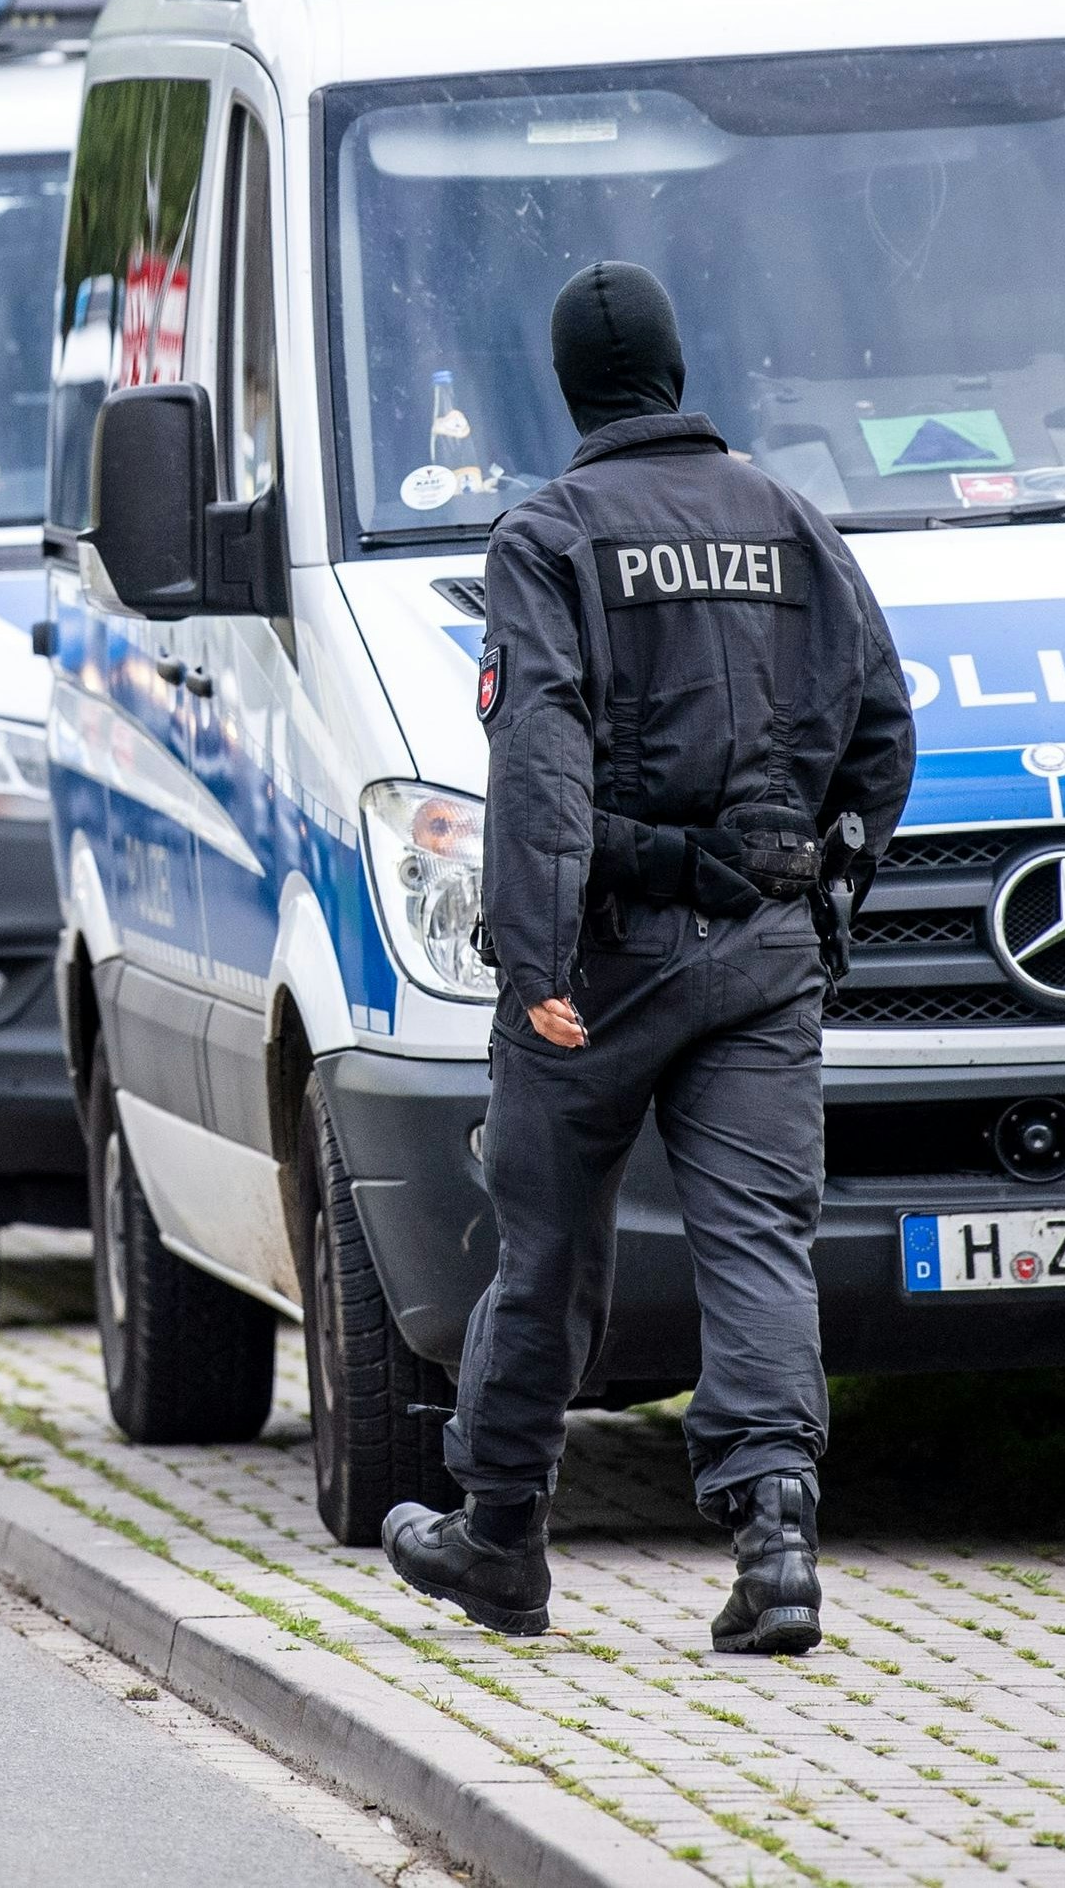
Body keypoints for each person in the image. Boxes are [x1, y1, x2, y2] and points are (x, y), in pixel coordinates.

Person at [381, 260, 914, 1655]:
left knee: (550, 1245)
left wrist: (539, 957)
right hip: (763, 955)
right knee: (757, 1241)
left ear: (569, 387)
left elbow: (540, 753)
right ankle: (778, 1541)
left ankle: (500, 1540)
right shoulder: (792, 522)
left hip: (603, 957)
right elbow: (883, 733)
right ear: (677, 371)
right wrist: (827, 904)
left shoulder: (546, 536)